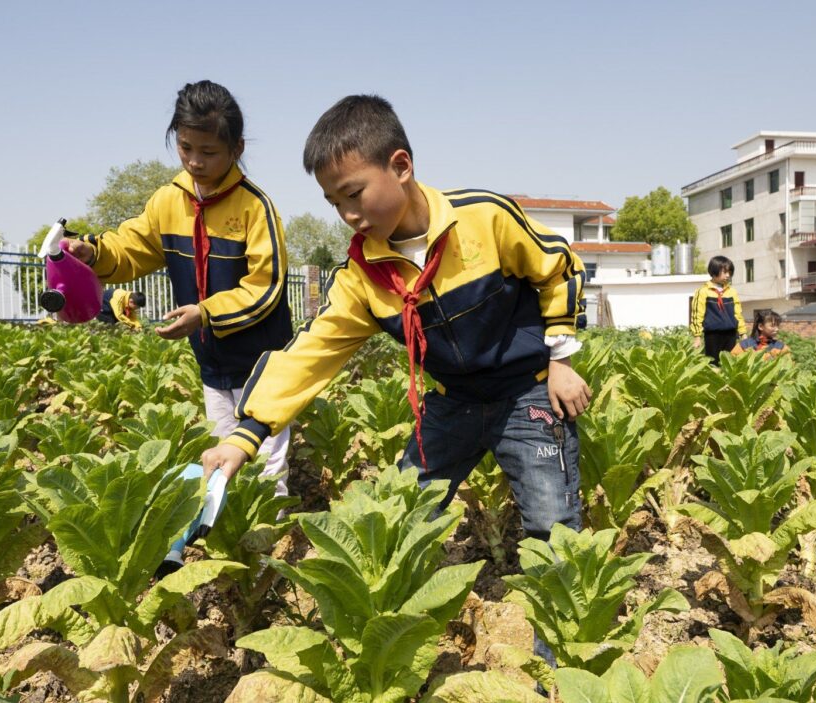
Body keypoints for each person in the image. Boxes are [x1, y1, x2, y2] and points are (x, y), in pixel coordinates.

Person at [199, 95, 590, 667]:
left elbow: (556, 267)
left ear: (401, 166)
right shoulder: (363, 276)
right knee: (398, 516)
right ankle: (388, 647)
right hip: (452, 402)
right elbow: (310, 353)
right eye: (335, 203)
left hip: (525, 389)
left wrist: (560, 356)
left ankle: (558, 669)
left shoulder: (484, 218)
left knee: (554, 531)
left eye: (354, 193)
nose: (349, 214)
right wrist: (243, 436)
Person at [63, 80, 293, 495]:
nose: (195, 162)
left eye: (208, 152)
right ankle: (229, 545)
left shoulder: (255, 207)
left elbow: (267, 286)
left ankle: (267, 551)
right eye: (186, 148)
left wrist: (204, 313)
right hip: (212, 364)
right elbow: (132, 247)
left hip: (263, 364)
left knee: (266, 472)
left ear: (236, 149)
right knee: (223, 463)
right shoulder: (168, 200)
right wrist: (92, 253)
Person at [690, 255, 746, 365]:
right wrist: (697, 336)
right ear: (714, 271)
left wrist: (743, 333)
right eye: (724, 272)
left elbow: (738, 314)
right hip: (713, 335)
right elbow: (697, 315)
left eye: (729, 272)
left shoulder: (732, 292)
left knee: (730, 365)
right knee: (713, 364)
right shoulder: (703, 291)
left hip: (731, 335)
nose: (728, 275)